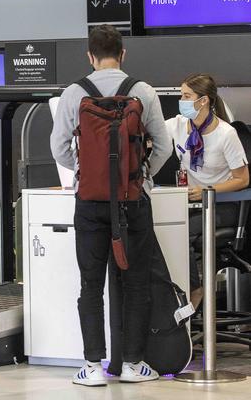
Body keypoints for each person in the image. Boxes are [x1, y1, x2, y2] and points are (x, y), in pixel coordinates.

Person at [50, 25, 172, 386]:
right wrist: (138, 177)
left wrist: (86, 172)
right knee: (136, 284)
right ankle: (133, 364)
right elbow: (164, 147)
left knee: (91, 284)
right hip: (132, 203)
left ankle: (91, 366)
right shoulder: (142, 91)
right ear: (122, 54)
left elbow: (58, 148)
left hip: (89, 203)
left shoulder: (74, 93)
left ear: (90, 56)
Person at [165, 74, 249, 308]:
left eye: (186, 96)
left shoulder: (226, 134)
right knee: (164, 228)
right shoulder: (178, 124)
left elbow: (242, 179)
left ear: (203, 101)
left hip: (221, 204)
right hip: (190, 204)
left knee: (181, 232)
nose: (181, 101)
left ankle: (196, 289)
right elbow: (151, 134)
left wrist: (206, 190)